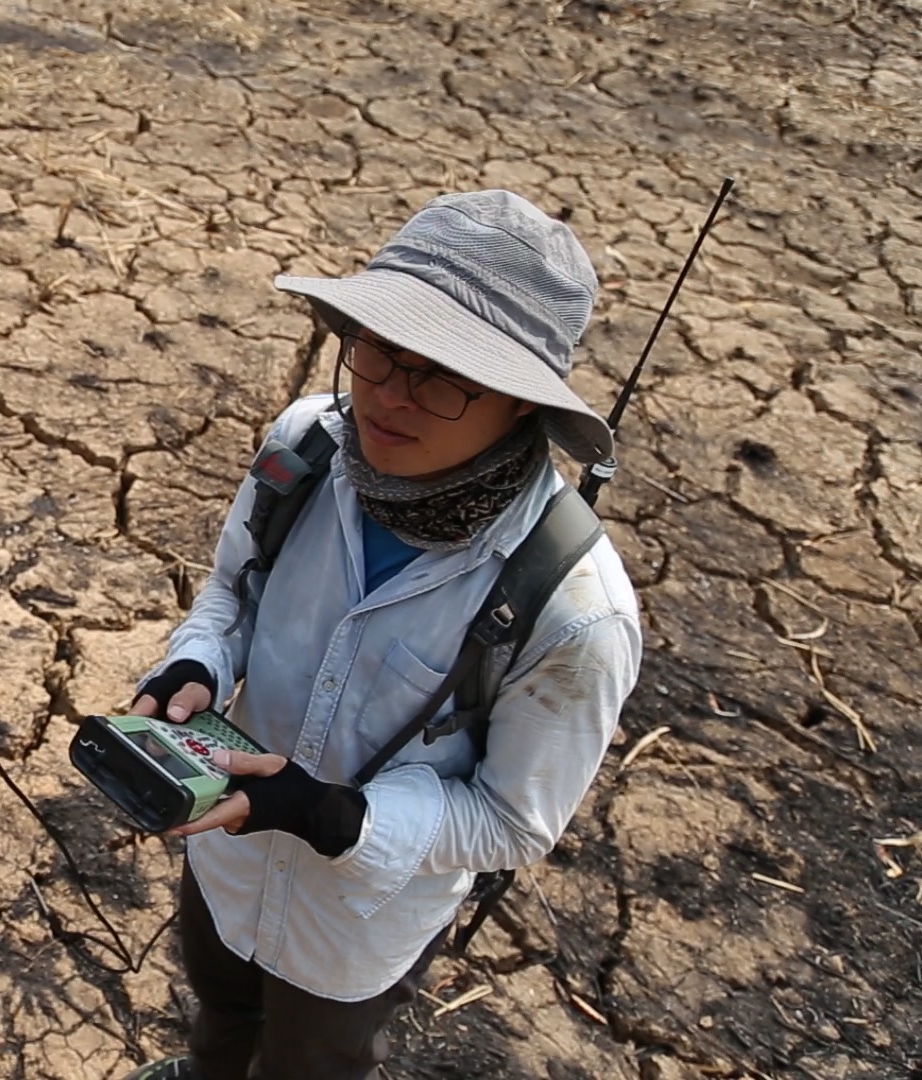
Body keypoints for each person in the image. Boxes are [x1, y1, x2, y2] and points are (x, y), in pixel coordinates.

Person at [123, 191, 643, 1079]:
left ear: (523, 404)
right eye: (376, 351)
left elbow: (514, 822)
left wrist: (334, 815)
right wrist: (197, 661)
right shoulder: (304, 451)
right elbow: (231, 596)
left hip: (355, 925)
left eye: (442, 375)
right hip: (226, 853)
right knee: (216, 1008)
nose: (390, 397)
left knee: (313, 1064)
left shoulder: (575, 607)